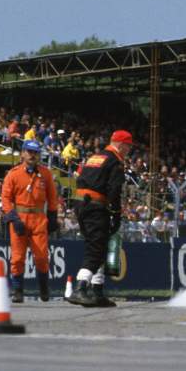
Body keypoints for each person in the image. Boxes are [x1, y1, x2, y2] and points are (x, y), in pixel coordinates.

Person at [66, 130, 132, 307]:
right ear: (121, 144)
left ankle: (97, 291)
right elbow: (114, 189)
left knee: (99, 246)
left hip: (82, 204)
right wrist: (116, 213)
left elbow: (81, 180)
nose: (128, 151)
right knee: (96, 249)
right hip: (96, 206)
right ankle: (80, 288)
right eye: (128, 147)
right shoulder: (115, 161)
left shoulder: (96, 157)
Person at [0, 140, 59, 302]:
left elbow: (52, 197)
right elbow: (5, 198)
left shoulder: (46, 174)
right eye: (29, 152)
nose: (33, 155)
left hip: (39, 218)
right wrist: (13, 217)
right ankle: (18, 291)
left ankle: (44, 289)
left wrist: (53, 216)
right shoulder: (13, 174)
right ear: (23, 154)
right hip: (19, 218)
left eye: (35, 152)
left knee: (41, 257)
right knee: (17, 258)